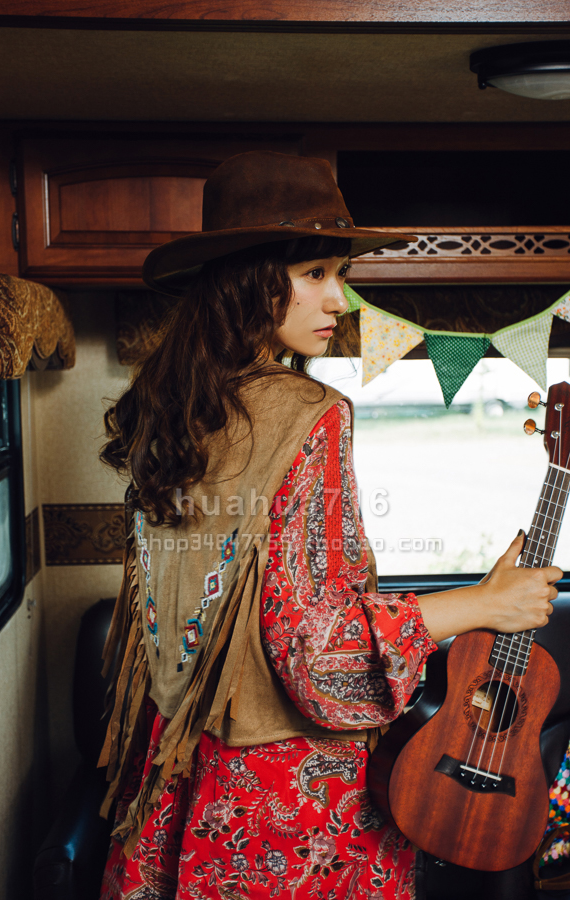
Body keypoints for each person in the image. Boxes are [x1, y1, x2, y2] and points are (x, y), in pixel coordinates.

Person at [98, 151, 561, 900]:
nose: (341, 301)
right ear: (250, 278)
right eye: (317, 273)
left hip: (180, 767)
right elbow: (319, 655)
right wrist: (484, 605)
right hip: (281, 794)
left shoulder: (174, 408)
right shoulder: (308, 414)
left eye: (338, 275)